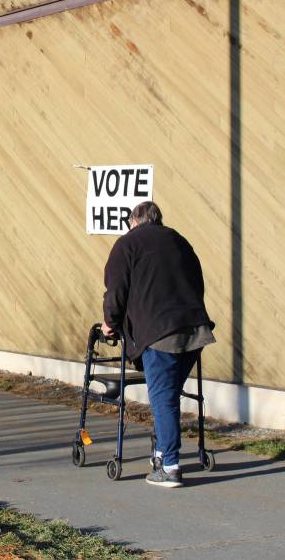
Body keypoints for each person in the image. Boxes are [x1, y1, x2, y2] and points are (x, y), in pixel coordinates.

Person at [102, 201, 215, 488]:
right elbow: (197, 282)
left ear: (134, 221)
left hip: (159, 331)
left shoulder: (127, 244)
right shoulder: (180, 241)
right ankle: (162, 451)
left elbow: (116, 290)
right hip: (194, 328)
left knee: (163, 399)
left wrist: (110, 323)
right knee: (170, 396)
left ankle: (170, 466)